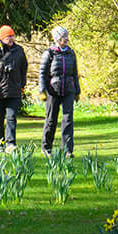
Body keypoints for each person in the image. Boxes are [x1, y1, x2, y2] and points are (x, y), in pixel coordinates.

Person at [39, 25, 80, 156]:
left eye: (66, 36)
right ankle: (46, 148)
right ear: (57, 39)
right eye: (63, 37)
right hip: (53, 90)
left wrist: (77, 91)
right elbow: (42, 73)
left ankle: (67, 150)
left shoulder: (71, 53)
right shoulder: (49, 53)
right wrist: (42, 90)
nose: (66, 39)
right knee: (51, 119)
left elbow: (75, 73)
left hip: (69, 89)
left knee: (68, 120)